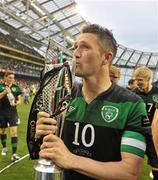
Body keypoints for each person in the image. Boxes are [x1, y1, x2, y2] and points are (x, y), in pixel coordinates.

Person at [32, 24, 150, 180]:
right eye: (75, 47)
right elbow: (49, 149)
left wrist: (72, 159)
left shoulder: (132, 104)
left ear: (106, 58)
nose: (76, 53)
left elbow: (129, 172)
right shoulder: (62, 95)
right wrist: (42, 134)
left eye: (85, 47)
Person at [133, 66, 158, 180]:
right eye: (136, 79)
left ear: (149, 79)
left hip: (153, 134)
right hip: (137, 133)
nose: (137, 83)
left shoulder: (157, 92)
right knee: (132, 163)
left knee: (156, 163)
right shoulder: (133, 94)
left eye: (140, 80)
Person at [0, 71, 22, 161]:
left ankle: (14, 154)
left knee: (14, 132)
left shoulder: (16, 88)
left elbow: (19, 100)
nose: (11, 79)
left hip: (13, 113)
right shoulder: (1, 86)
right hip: (1, 112)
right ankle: (4, 147)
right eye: (9, 78)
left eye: (13, 78)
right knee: (3, 131)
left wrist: (17, 102)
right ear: (5, 77)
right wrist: (5, 91)